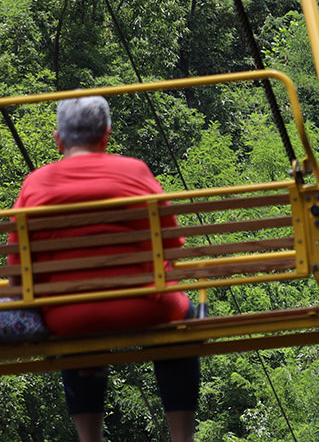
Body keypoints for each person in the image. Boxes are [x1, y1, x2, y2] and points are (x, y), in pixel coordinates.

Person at [8, 96, 199, 442]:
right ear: (106, 136)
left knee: (80, 325)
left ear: (59, 140)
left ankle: (89, 438)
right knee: (184, 320)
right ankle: (182, 437)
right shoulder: (136, 171)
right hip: (145, 306)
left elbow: (18, 273)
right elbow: (172, 246)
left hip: (69, 319)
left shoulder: (35, 185)